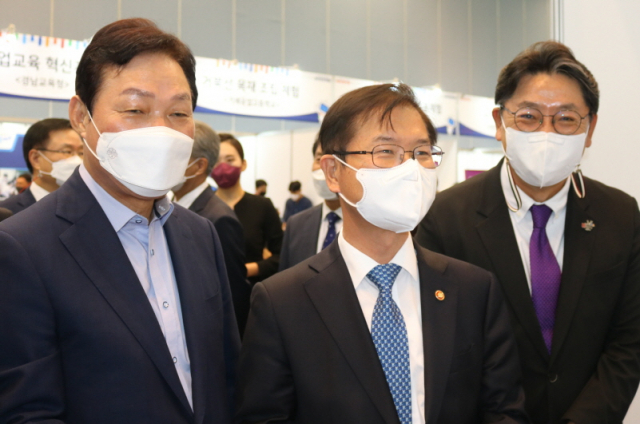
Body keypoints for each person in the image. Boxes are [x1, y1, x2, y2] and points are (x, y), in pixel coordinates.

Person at [237, 83, 528, 424]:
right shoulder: (282, 302)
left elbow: (503, 410)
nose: (410, 169)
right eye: (386, 151)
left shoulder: (473, 289)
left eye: (422, 152)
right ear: (333, 171)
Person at [0, 18, 239, 424]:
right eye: (135, 110)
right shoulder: (21, 247)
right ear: (81, 116)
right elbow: (26, 411)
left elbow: (227, 376)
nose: (161, 131)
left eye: (178, 112)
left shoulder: (200, 234)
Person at [415, 41, 640, 424]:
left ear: (589, 129)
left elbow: (628, 342)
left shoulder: (620, 215)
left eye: (566, 118)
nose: (546, 132)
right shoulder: (445, 217)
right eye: (529, 117)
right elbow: (440, 348)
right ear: (499, 122)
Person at [171, 120, 251, 337]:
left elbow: (233, 295)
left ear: (199, 166)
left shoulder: (218, 219)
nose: (165, 162)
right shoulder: (168, 206)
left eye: (176, 156)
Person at [212, 134, 283, 284]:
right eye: (216, 161)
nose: (223, 166)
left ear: (243, 164)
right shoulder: (203, 207)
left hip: (253, 290)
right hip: (211, 290)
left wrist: (247, 269)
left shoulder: (262, 205)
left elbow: (281, 255)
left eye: (230, 160)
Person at [279, 136, 343, 271]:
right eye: (319, 159)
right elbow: (285, 277)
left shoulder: (372, 225)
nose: (325, 167)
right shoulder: (296, 225)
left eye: (334, 160)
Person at [0, 118, 83, 214]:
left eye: (81, 152)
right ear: (36, 159)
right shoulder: (6, 213)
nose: (77, 160)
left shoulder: (90, 208)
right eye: (67, 151)